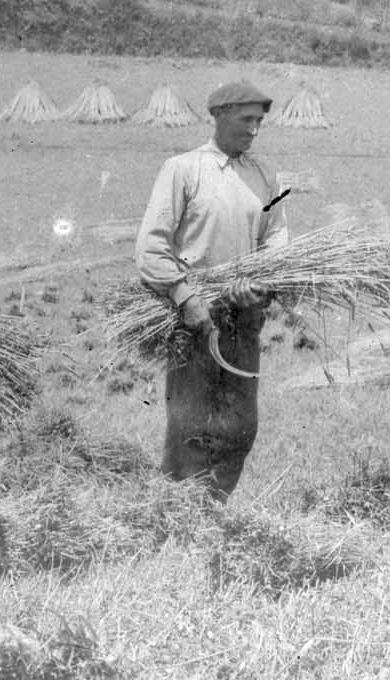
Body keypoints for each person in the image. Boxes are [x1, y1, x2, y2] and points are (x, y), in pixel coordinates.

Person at [134, 80, 290, 499]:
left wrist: (261, 285)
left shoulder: (263, 176)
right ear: (219, 115)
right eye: (246, 119)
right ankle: (178, 515)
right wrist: (185, 298)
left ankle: (213, 511)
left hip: (244, 317)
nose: (255, 129)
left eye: (259, 121)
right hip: (193, 319)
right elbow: (151, 247)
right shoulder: (183, 169)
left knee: (240, 426)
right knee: (190, 427)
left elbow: (276, 240)